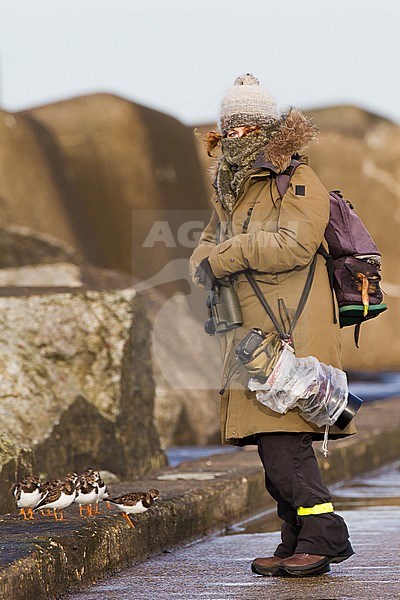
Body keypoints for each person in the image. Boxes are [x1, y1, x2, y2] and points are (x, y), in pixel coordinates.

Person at [189, 74, 355, 577]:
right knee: (269, 445)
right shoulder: (232, 189)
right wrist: (207, 261)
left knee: (285, 443)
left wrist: (227, 255)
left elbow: (294, 245)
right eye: (228, 129)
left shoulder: (298, 180)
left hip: (290, 333)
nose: (234, 137)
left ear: (263, 128)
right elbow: (204, 247)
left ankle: (324, 538)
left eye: (244, 128)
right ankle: (294, 538)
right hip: (251, 337)